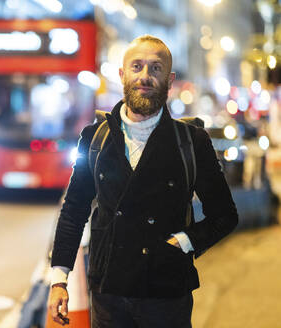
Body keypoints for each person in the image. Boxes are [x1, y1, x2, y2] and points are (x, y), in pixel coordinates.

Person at [47, 35, 238, 328]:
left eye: (155, 68)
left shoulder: (191, 141)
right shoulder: (95, 138)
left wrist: (184, 242)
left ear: (169, 79)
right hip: (108, 293)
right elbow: (74, 210)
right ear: (123, 74)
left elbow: (225, 215)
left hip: (166, 294)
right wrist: (59, 279)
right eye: (137, 67)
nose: (145, 76)